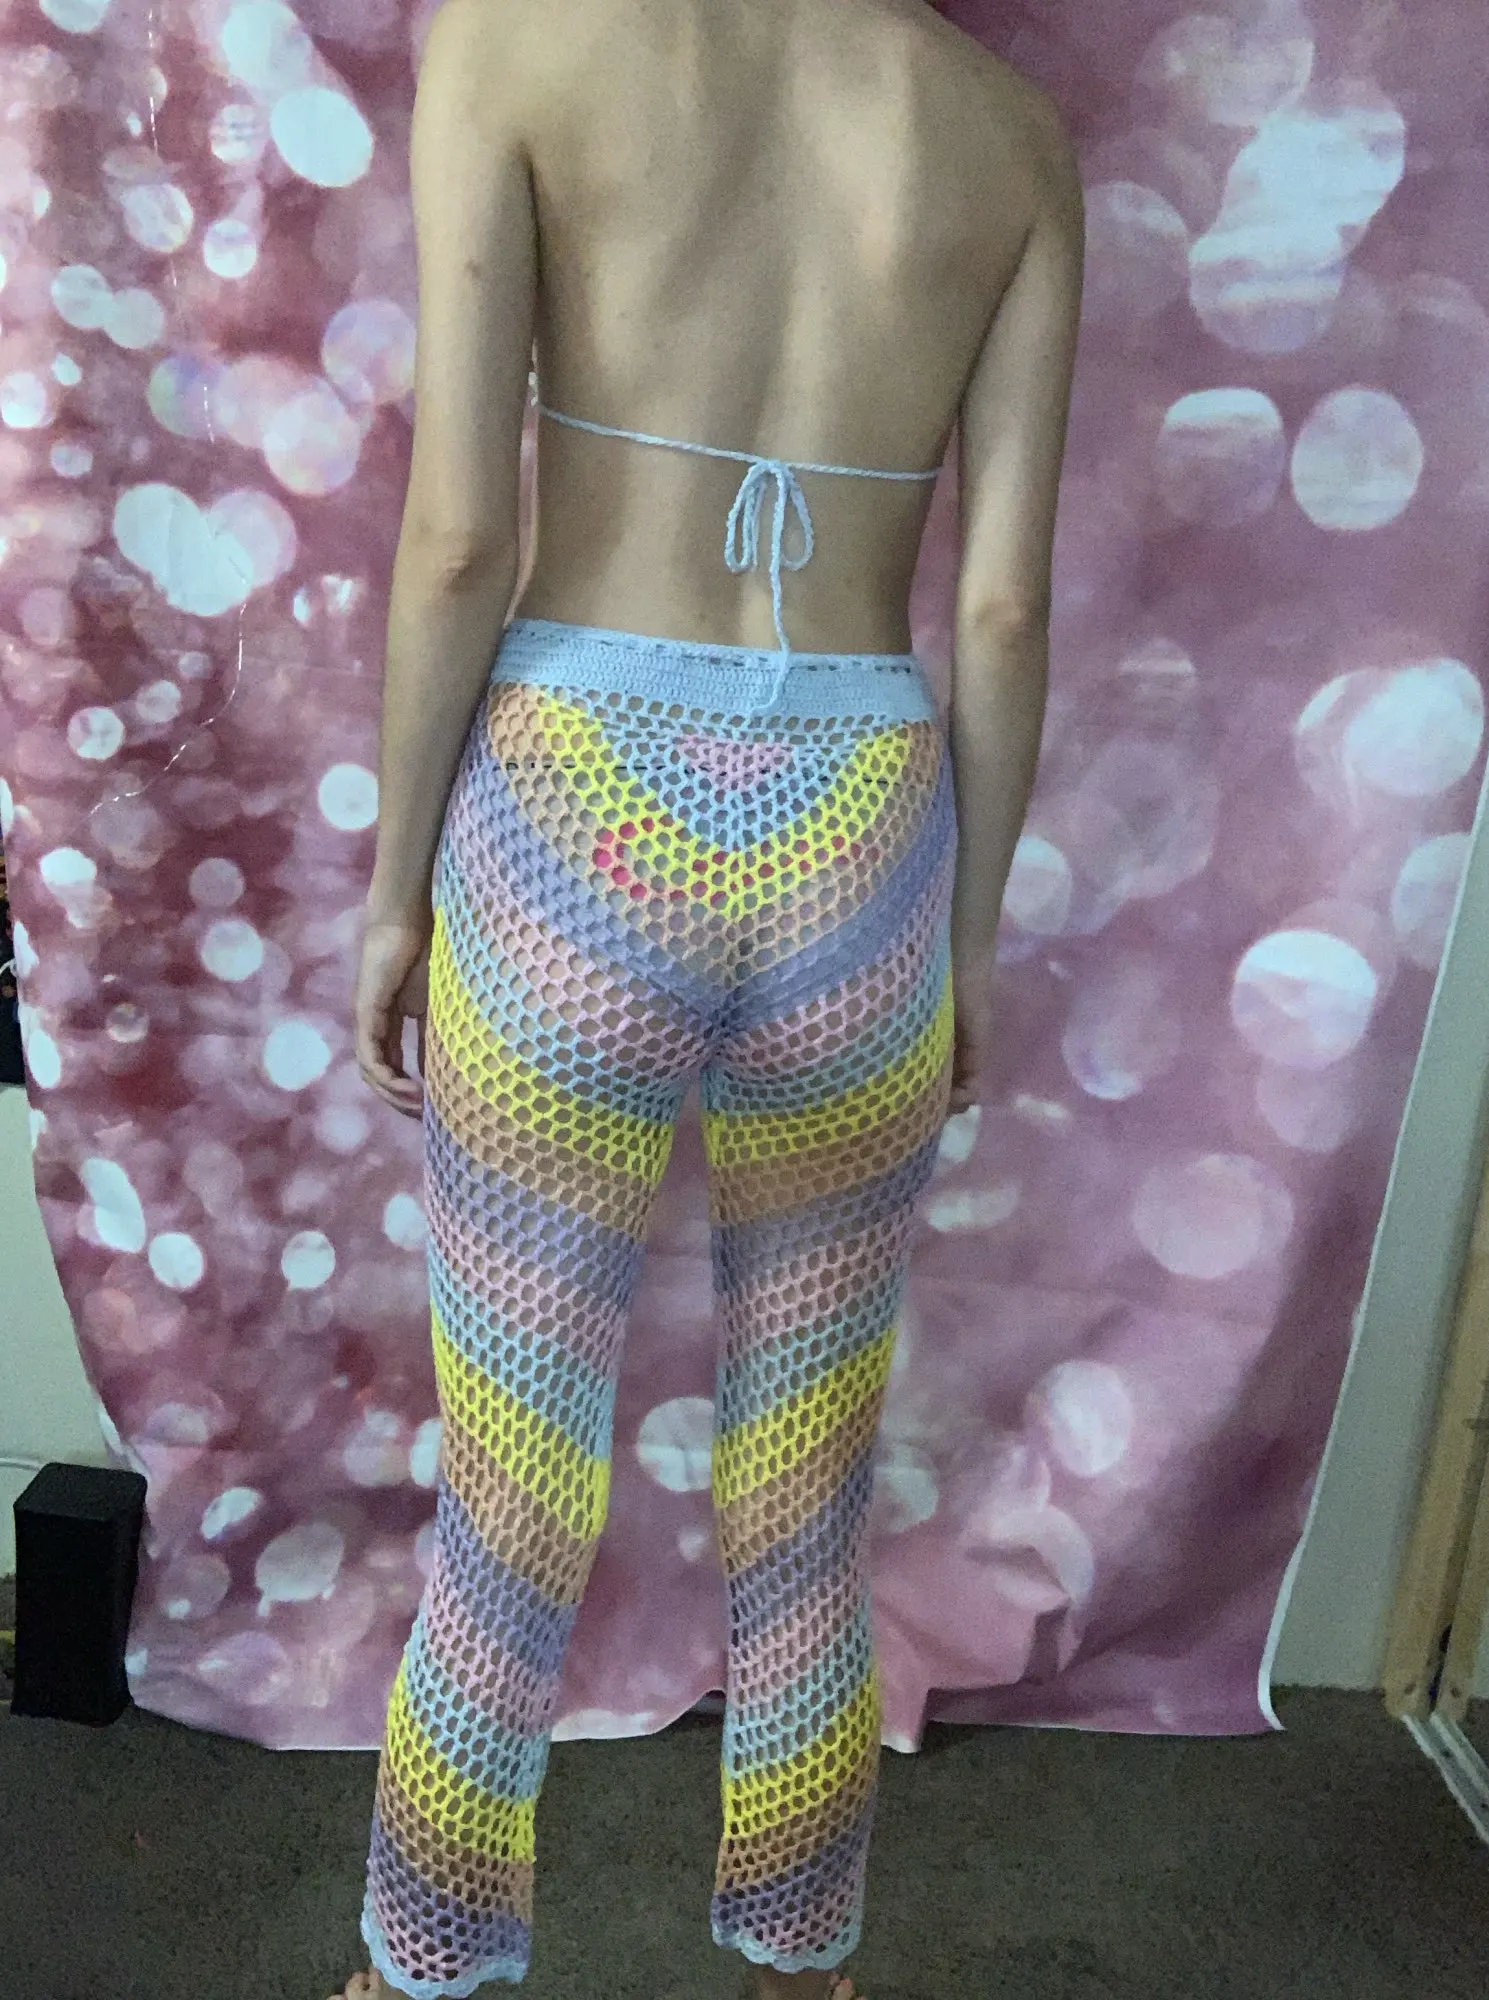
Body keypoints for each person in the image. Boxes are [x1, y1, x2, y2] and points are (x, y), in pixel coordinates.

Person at [340, 0, 1082, 1989]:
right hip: (866, 835)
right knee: (807, 1492)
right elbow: (1003, 604)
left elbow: (460, 537)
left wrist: (396, 892)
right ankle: (801, 1960)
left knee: (513, 1488)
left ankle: (418, 1965)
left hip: (570, 815)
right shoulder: (1009, 136)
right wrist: (968, 937)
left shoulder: (514, 44)